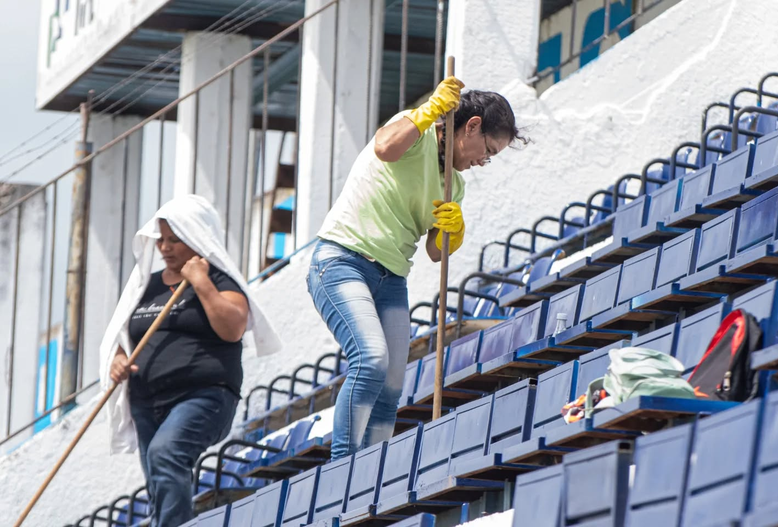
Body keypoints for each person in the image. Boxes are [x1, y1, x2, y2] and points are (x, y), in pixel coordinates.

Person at [307, 76, 526, 460]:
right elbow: (385, 147)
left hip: (391, 278)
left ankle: (370, 477)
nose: (483, 161)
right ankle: (342, 468)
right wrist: (428, 111)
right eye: (487, 150)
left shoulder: (453, 185)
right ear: (471, 126)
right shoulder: (417, 130)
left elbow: (434, 252)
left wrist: (452, 233)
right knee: (371, 359)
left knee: (391, 386)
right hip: (342, 259)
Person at [99, 195, 281, 527]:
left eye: (175, 239)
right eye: (161, 240)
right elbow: (123, 336)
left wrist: (201, 282)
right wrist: (118, 359)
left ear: (196, 236)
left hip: (203, 395)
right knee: (158, 477)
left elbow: (232, 328)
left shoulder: (221, 280)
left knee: (165, 455)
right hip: (146, 400)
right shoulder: (145, 287)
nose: (165, 248)